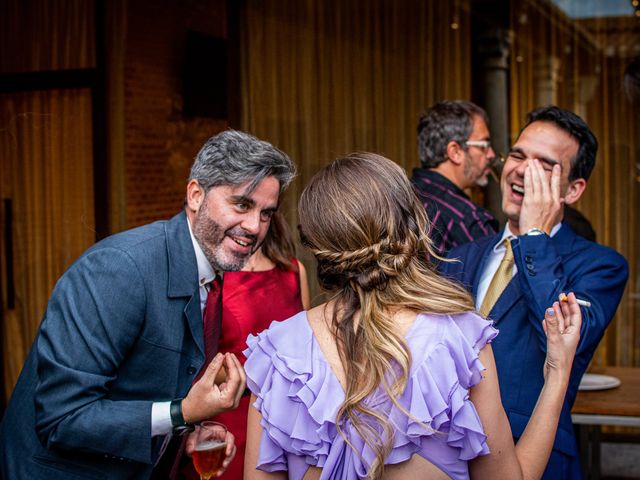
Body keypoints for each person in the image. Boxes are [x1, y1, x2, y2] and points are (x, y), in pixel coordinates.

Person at [243, 152, 582, 479]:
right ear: (414, 225)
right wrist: (557, 371)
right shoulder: (459, 339)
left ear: (315, 244)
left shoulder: (277, 354)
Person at [0, 130, 296, 479]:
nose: (254, 227)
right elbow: (62, 419)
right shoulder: (119, 269)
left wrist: (187, 432)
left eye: (266, 214)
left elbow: (148, 389)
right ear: (196, 195)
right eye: (242, 204)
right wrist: (180, 414)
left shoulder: (209, 273)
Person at [440, 106, 629, 478]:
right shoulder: (459, 258)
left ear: (573, 190)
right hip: (445, 458)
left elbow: (562, 340)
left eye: (544, 164)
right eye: (517, 154)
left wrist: (534, 238)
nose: (521, 170)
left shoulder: (600, 266)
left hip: (533, 460)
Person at [183, 211, 311, 479]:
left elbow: (308, 350)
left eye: (264, 211)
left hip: (286, 417)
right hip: (228, 416)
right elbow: (193, 363)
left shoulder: (293, 271)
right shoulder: (211, 276)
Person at [412, 100, 499, 255]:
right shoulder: (468, 220)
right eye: (484, 146)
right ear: (455, 152)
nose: (491, 154)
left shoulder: (399, 197)